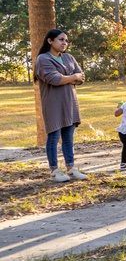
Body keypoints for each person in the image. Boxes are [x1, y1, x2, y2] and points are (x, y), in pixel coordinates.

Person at [34, 29, 87, 183]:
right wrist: (73, 77)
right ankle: (54, 170)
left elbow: (81, 76)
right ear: (50, 41)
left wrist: (70, 78)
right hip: (53, 104)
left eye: (66, 40)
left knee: (68, 138)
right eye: (61, 40)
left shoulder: (69, 57)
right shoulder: (43, 59)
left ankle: (70, 168)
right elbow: (53, 79)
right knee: (54, 136)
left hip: (70, 103)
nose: (64, 43)